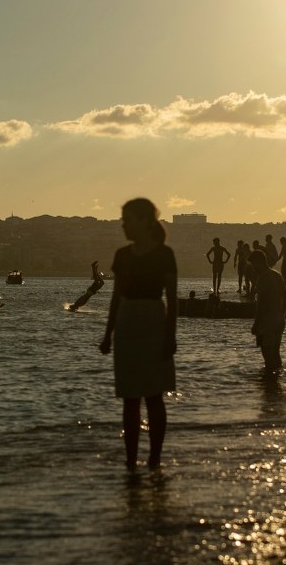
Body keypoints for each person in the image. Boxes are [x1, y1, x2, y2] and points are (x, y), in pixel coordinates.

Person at [99, 198, 177, 472]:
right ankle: (131, 461)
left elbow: (172, 300)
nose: (123, 226)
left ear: (144, 221)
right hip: (127, 323)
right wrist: (108, 334)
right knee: (130, 397)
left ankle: (154, 459)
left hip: (154, 321)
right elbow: (116, 297)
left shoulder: (164, 254)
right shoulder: (122, 255)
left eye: (128, 220)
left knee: (154, 395)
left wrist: (170, 336)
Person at [249, 250, 286, 370]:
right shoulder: (277, 275)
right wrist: (281, 316)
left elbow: (261, 303)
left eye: (253, 265)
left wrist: (256, 323)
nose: (253, 269)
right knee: (275, 352)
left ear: (258, 262)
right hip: (279, 319)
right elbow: (285, 299)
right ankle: (278, 376)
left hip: (268, 322)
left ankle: (270, 377)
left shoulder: (263, 277)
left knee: (267, 352)